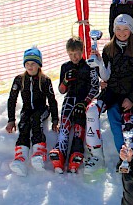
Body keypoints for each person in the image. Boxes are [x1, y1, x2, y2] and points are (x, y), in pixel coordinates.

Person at [94, 14, 133, 169]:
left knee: (129, 125)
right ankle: (122, 156)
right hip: (113, 94)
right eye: (118, 28)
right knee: (114, 121)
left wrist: (132, 98)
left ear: (131, 30)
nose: (122, 32)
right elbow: (106, 76)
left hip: (131, 95)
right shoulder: (108, 49)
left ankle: (132, 157)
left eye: (125, 29)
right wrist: (98, 63)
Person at [49, 37, 99, 174]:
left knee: (78, 127)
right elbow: (61, 90)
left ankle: (76, 153)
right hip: (69, 99)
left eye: (76, 53)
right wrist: (65, 80)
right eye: (70, 54)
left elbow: (95, 88)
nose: (74, 57)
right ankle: (59, 152)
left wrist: (85, 102)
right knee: (64, 126)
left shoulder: (90, 66)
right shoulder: (65, 66)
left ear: (82, 51)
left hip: (83, 101)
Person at [6, 47, 59, 176]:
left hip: (42, 109)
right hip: (27, 109)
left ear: (38, 65)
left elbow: (52, 100)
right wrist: (11, 120)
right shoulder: (19, 79)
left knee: (36, 121)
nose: (30, 67)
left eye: (33, 64)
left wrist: (55, 120)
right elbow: (12, 100)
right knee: (23, 124)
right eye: (27, 64)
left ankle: (39, 154)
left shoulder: (44, 80)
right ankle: (20, 159)